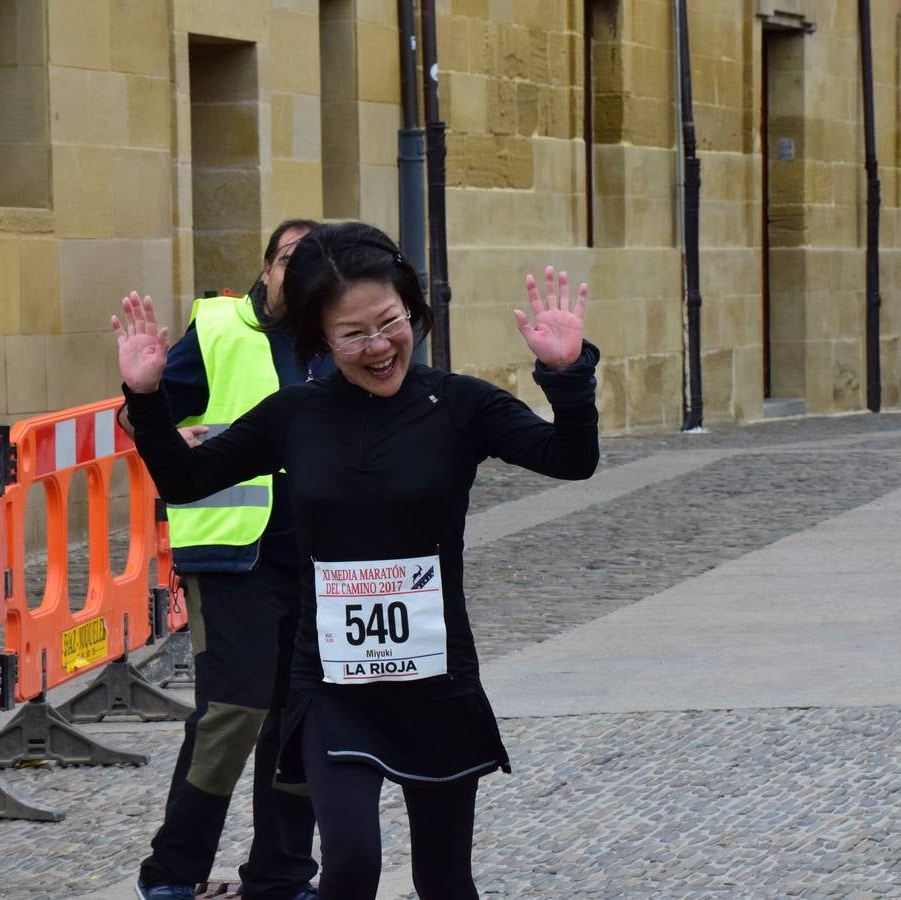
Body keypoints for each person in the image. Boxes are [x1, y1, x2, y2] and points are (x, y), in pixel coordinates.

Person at [114, 222, 597, 900]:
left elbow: (572, 460)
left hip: (436, 676)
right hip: (334, 684)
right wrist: (146, 398)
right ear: (321, 339)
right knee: (348, 867)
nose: (378, 347)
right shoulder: (295, 415)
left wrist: (568, 376)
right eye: (353, 334)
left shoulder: (459, 405)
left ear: (414, 313)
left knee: (445, 880)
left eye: (390, 323)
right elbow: (187, 481)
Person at [129, 219, 327, 900]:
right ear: (267, 268)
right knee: (232, 716)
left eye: (313, 263)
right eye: (288, 261)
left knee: (302, 721)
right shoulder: (218, 328)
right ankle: (172, 874)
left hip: (320, 564)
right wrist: (153, 409)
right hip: (232, 557)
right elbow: (148, 418)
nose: (297, 275)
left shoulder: (340, 338)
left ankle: (281, 874)